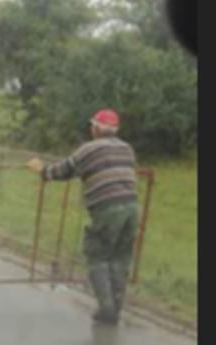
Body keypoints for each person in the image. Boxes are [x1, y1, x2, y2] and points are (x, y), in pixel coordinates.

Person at [27, 109, 139, 325]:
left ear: (97, 129)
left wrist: (41, 170)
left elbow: (64, 171)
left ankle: (106, 308)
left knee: (97, 253)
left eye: (92, 126)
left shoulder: (88, 149)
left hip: (108, 208)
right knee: (120, 258)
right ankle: (115, 309)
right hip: (132, 207)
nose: (91, 129)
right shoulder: (127, 149)